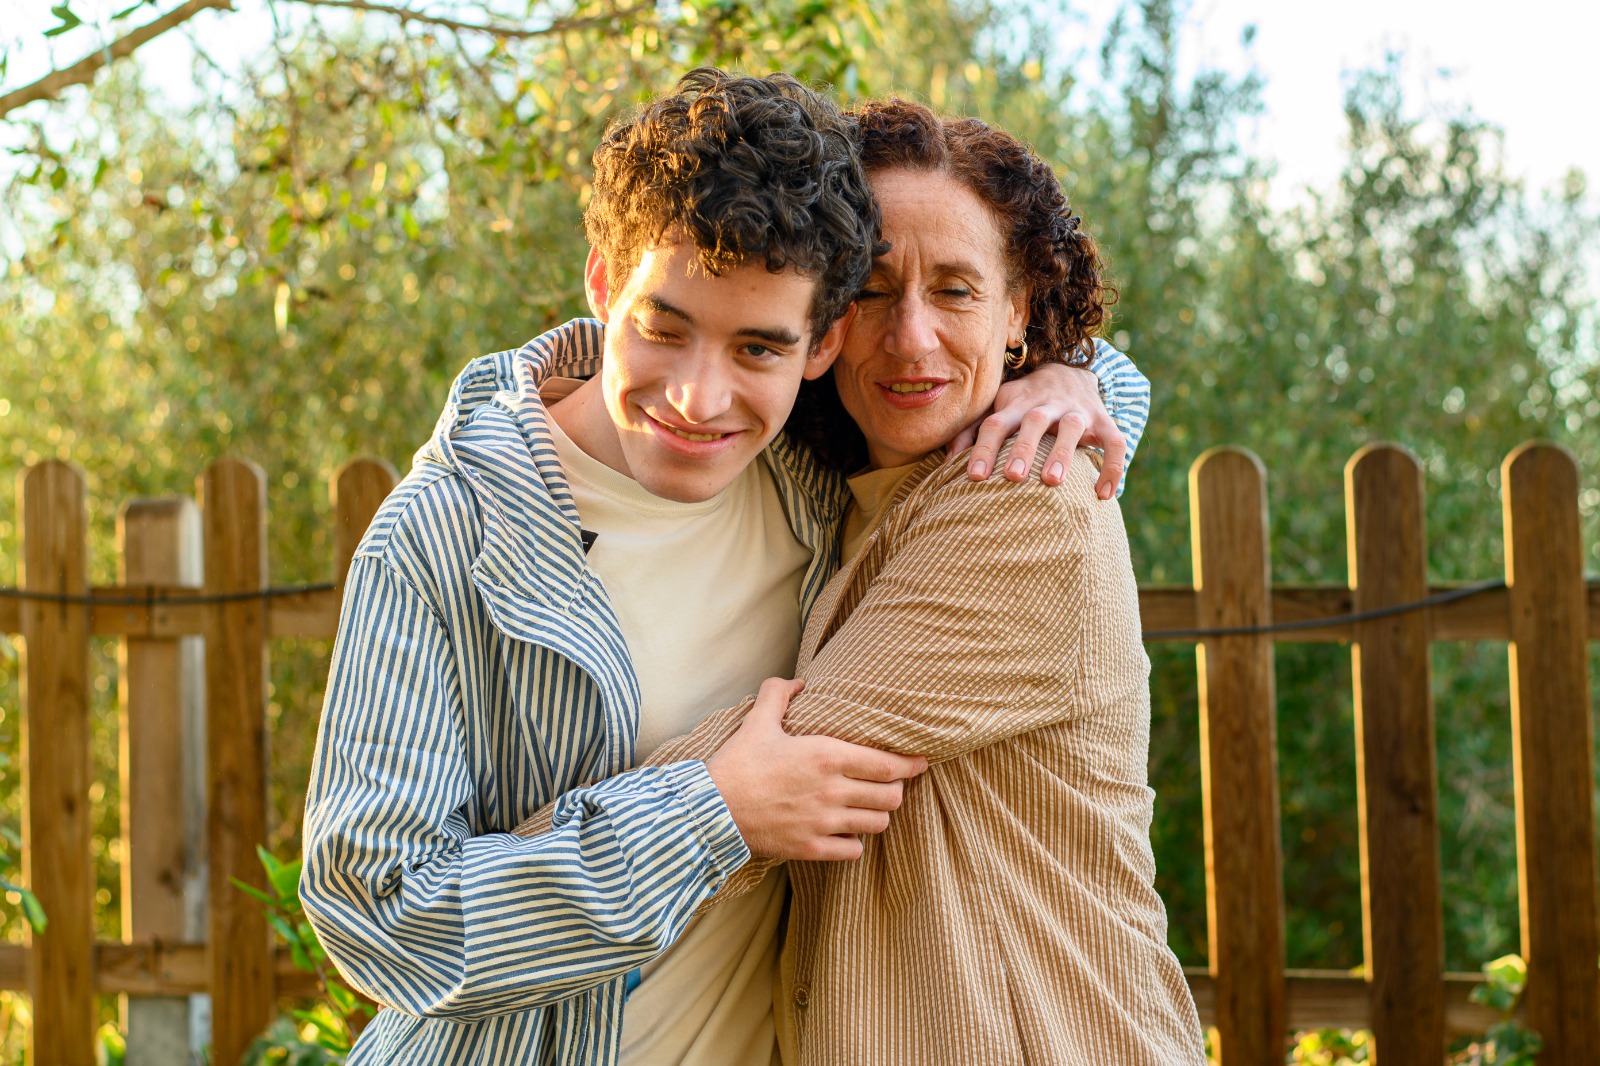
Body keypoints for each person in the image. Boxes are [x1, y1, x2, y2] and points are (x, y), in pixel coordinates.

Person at [300, 70, 1150, 1065]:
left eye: (757, 346)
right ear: (602, 282)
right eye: (664, 327)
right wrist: (712, 811)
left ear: (815, 344)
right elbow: (375, 914)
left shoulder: (800, 469)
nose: (701, 400)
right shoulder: (446, 535)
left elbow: (983, 420)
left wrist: (1072, 376)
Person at [543, 98, 1206, 1063]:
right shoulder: (825, 494)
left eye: (956, 290)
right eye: (872, 288)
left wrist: (483, 878)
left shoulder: (1027, 499)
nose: (911, 339)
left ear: (1019, 309)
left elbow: (778, 766)